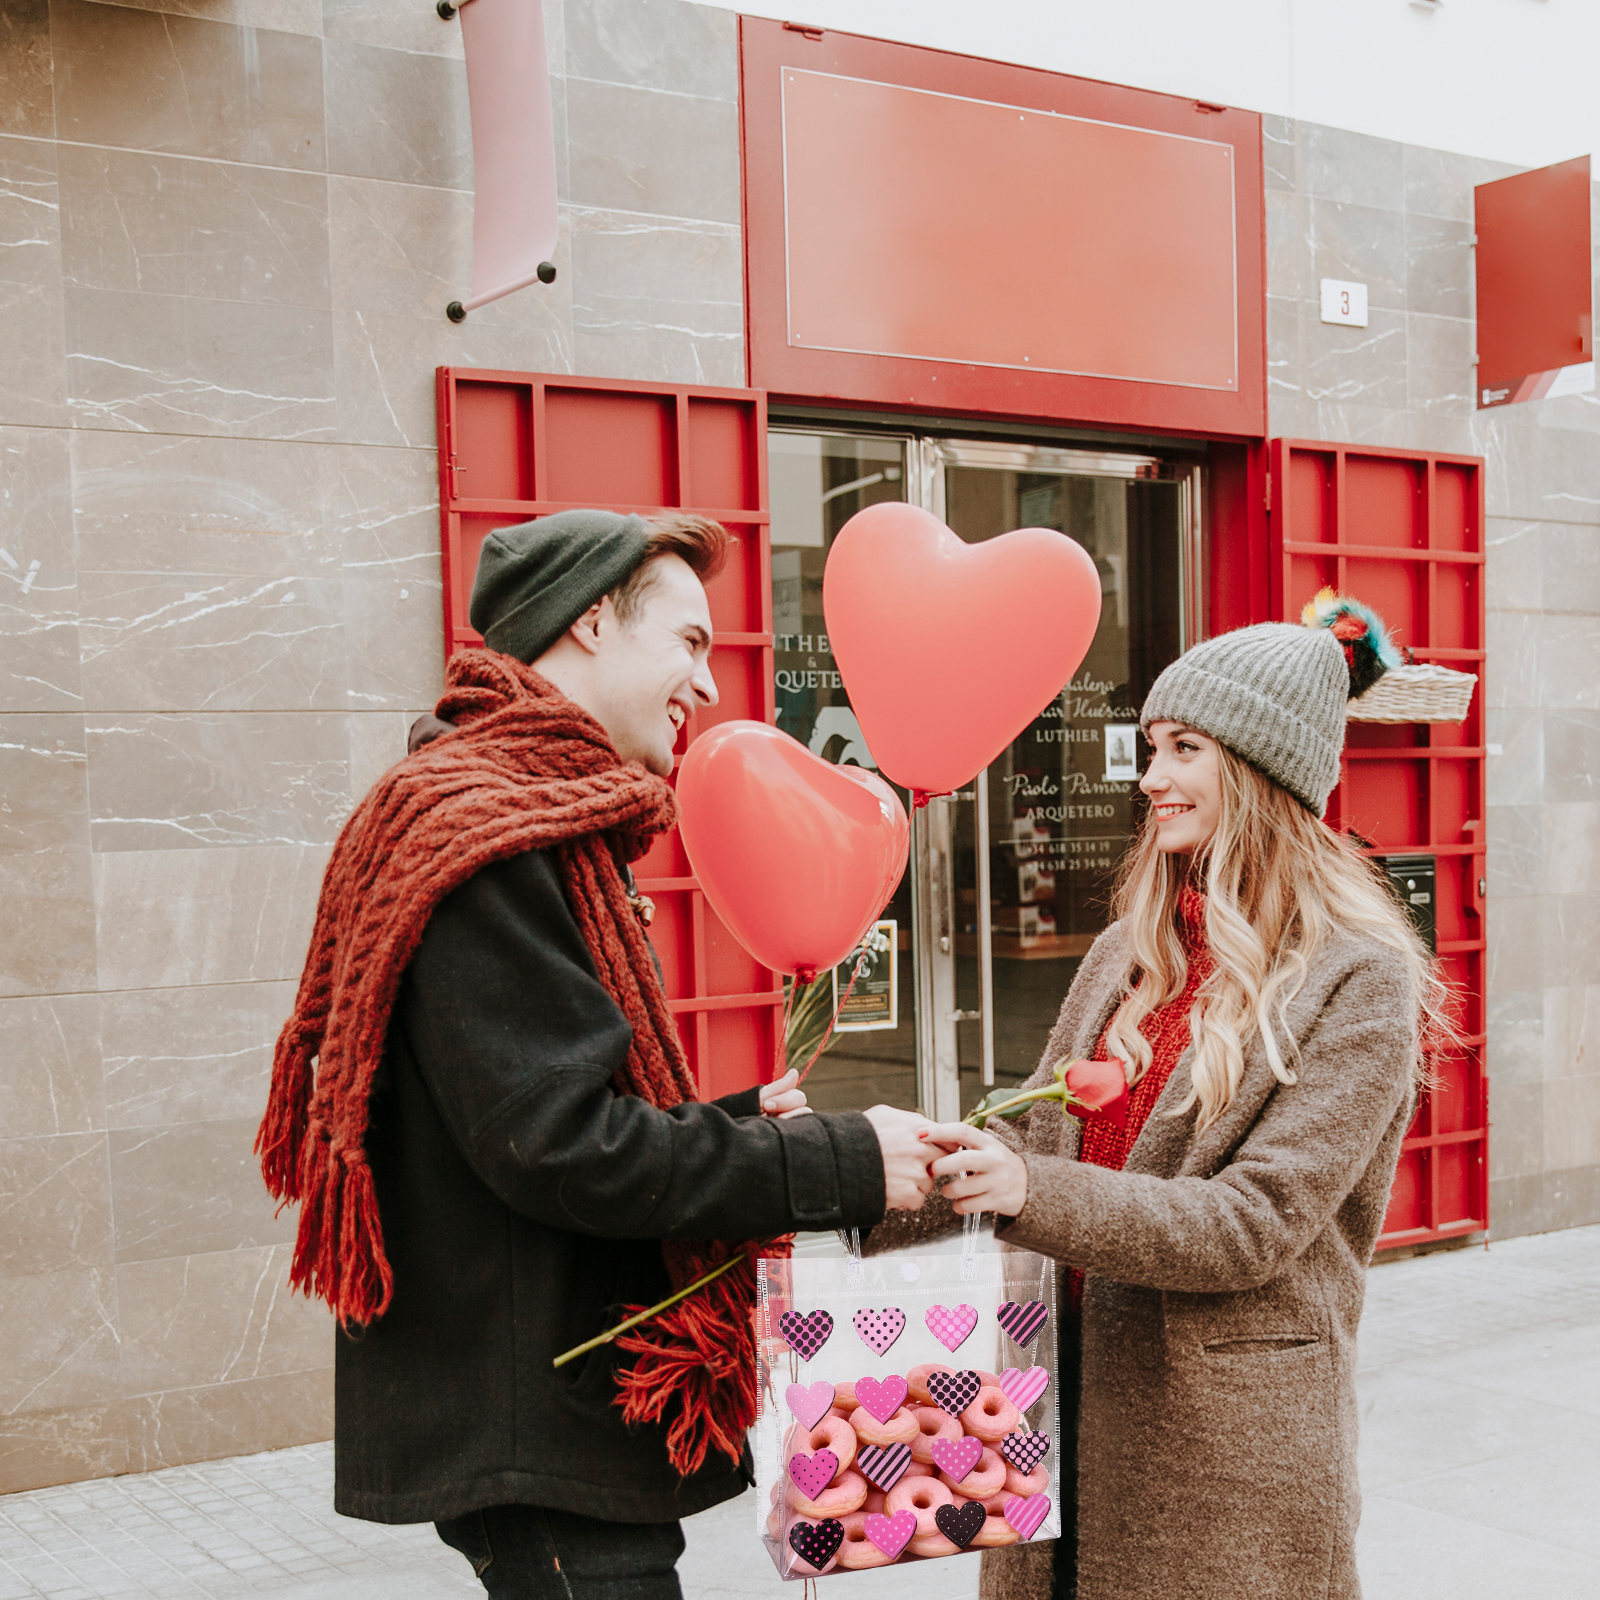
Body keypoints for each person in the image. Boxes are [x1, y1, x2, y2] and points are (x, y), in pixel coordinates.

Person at [256, 509, 934, 1600]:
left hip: (550, 1410)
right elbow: (561, 1144)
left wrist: (734, 1122)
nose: (706, 683)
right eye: (689, 640)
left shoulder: (520, 812)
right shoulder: (485, 832)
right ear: (589, 623)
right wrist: (840, 1161)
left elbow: (535, 1106)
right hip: (537, 1420)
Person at [921, 600, 1448, 1600]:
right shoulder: (1127, 950)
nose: (1151, 777)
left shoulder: (1359, 976)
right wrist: (850, 1170)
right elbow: (1028, 1134)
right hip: (1051, 1406)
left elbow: (1253, 1224)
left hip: (1218, 1457)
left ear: (1260, 771)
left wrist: (1027, 1188)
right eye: (1151, 747)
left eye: (1184, 749)